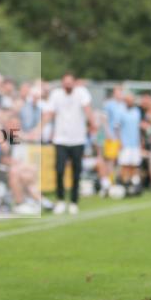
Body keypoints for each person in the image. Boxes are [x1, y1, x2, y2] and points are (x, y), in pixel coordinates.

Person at [43, 72, 93, 215]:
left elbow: (87, 109)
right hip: (61, 139)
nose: (68, 85)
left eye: (70, 82)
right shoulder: (56, 95)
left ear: (74, 83)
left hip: (78, 139)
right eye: (66, 82)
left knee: (76, 171)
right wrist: (39, 128)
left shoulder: (81, 93)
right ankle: (60, 200)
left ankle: (73, 201)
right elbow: (49, 113)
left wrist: (92, 123)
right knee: (59, 170)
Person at [114, 93, 142, 192]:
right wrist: (119, 141)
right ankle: (125, 184)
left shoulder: (137, 111)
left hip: (135, 143)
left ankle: (134, 185)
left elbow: (138, 129)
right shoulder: (120, 111)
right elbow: (117, 128)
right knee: (125, 164)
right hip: (125, 143)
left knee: (134, 165)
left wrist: (140, 142)